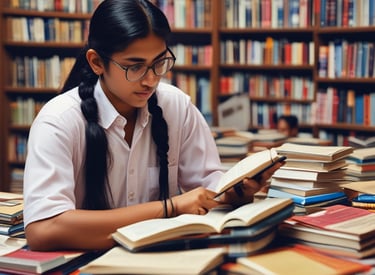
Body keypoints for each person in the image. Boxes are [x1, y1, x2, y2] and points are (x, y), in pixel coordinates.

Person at [23, 0, 283, 252]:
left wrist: (234, 193)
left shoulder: (176, 106)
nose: (151, 80)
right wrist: (170, 208)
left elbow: (208, 189)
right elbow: (44, 230)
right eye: (135, 67)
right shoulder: (58, 120)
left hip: (165, 258)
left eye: (159, 63)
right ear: (97, 62)